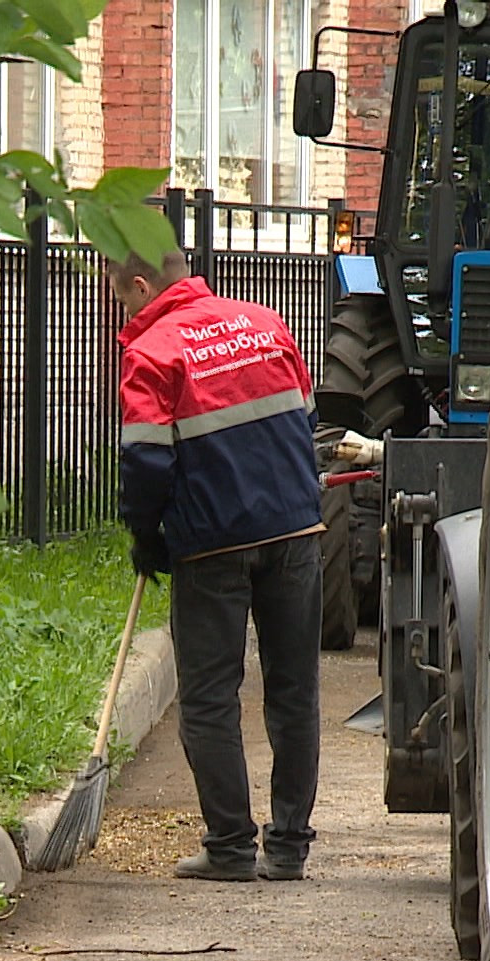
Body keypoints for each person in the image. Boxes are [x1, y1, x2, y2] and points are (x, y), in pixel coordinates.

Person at [109, 248, 324, 883]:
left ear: (142, 285)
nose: (124, 313)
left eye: (122, 299)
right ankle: (288, 848)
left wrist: (145, 535)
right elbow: (306, 421)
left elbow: (146, 460)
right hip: (295, 531)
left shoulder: (153, 352)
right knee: (294, 690)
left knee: (208, 697)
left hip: (211, 545)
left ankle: (229, 846)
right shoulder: (267, 324)